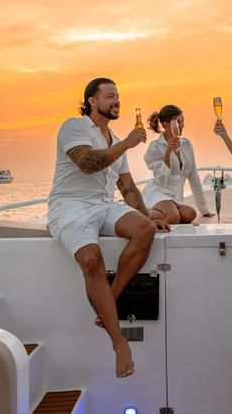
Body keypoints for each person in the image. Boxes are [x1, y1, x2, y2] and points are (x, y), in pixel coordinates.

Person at [47, 77, 170, 378]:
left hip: (104, 204)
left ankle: (109, 300)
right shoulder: (74, 127)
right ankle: (119, 342)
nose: (117, 101)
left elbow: (126, 186)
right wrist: (126, 143)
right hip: (70, 205)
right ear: (92, 101)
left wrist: (146, 216)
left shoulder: (114, 138)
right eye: (110, 96)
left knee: (145, 230)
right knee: (91, 260)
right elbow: (87, 163)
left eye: (118, 96)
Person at [143, 104, 213, 224]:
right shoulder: (155, 147)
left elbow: (194, 177)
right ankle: (143, 213)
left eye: (183, 121)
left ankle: (162, 212)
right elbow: (162, 179)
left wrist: (204, 209)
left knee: (190, 214)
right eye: (179, 122)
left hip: (175, 197)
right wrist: (168, 152)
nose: (182, 125)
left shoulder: (186, 144)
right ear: (166, 124)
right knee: (173, 217)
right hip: (158, 193)